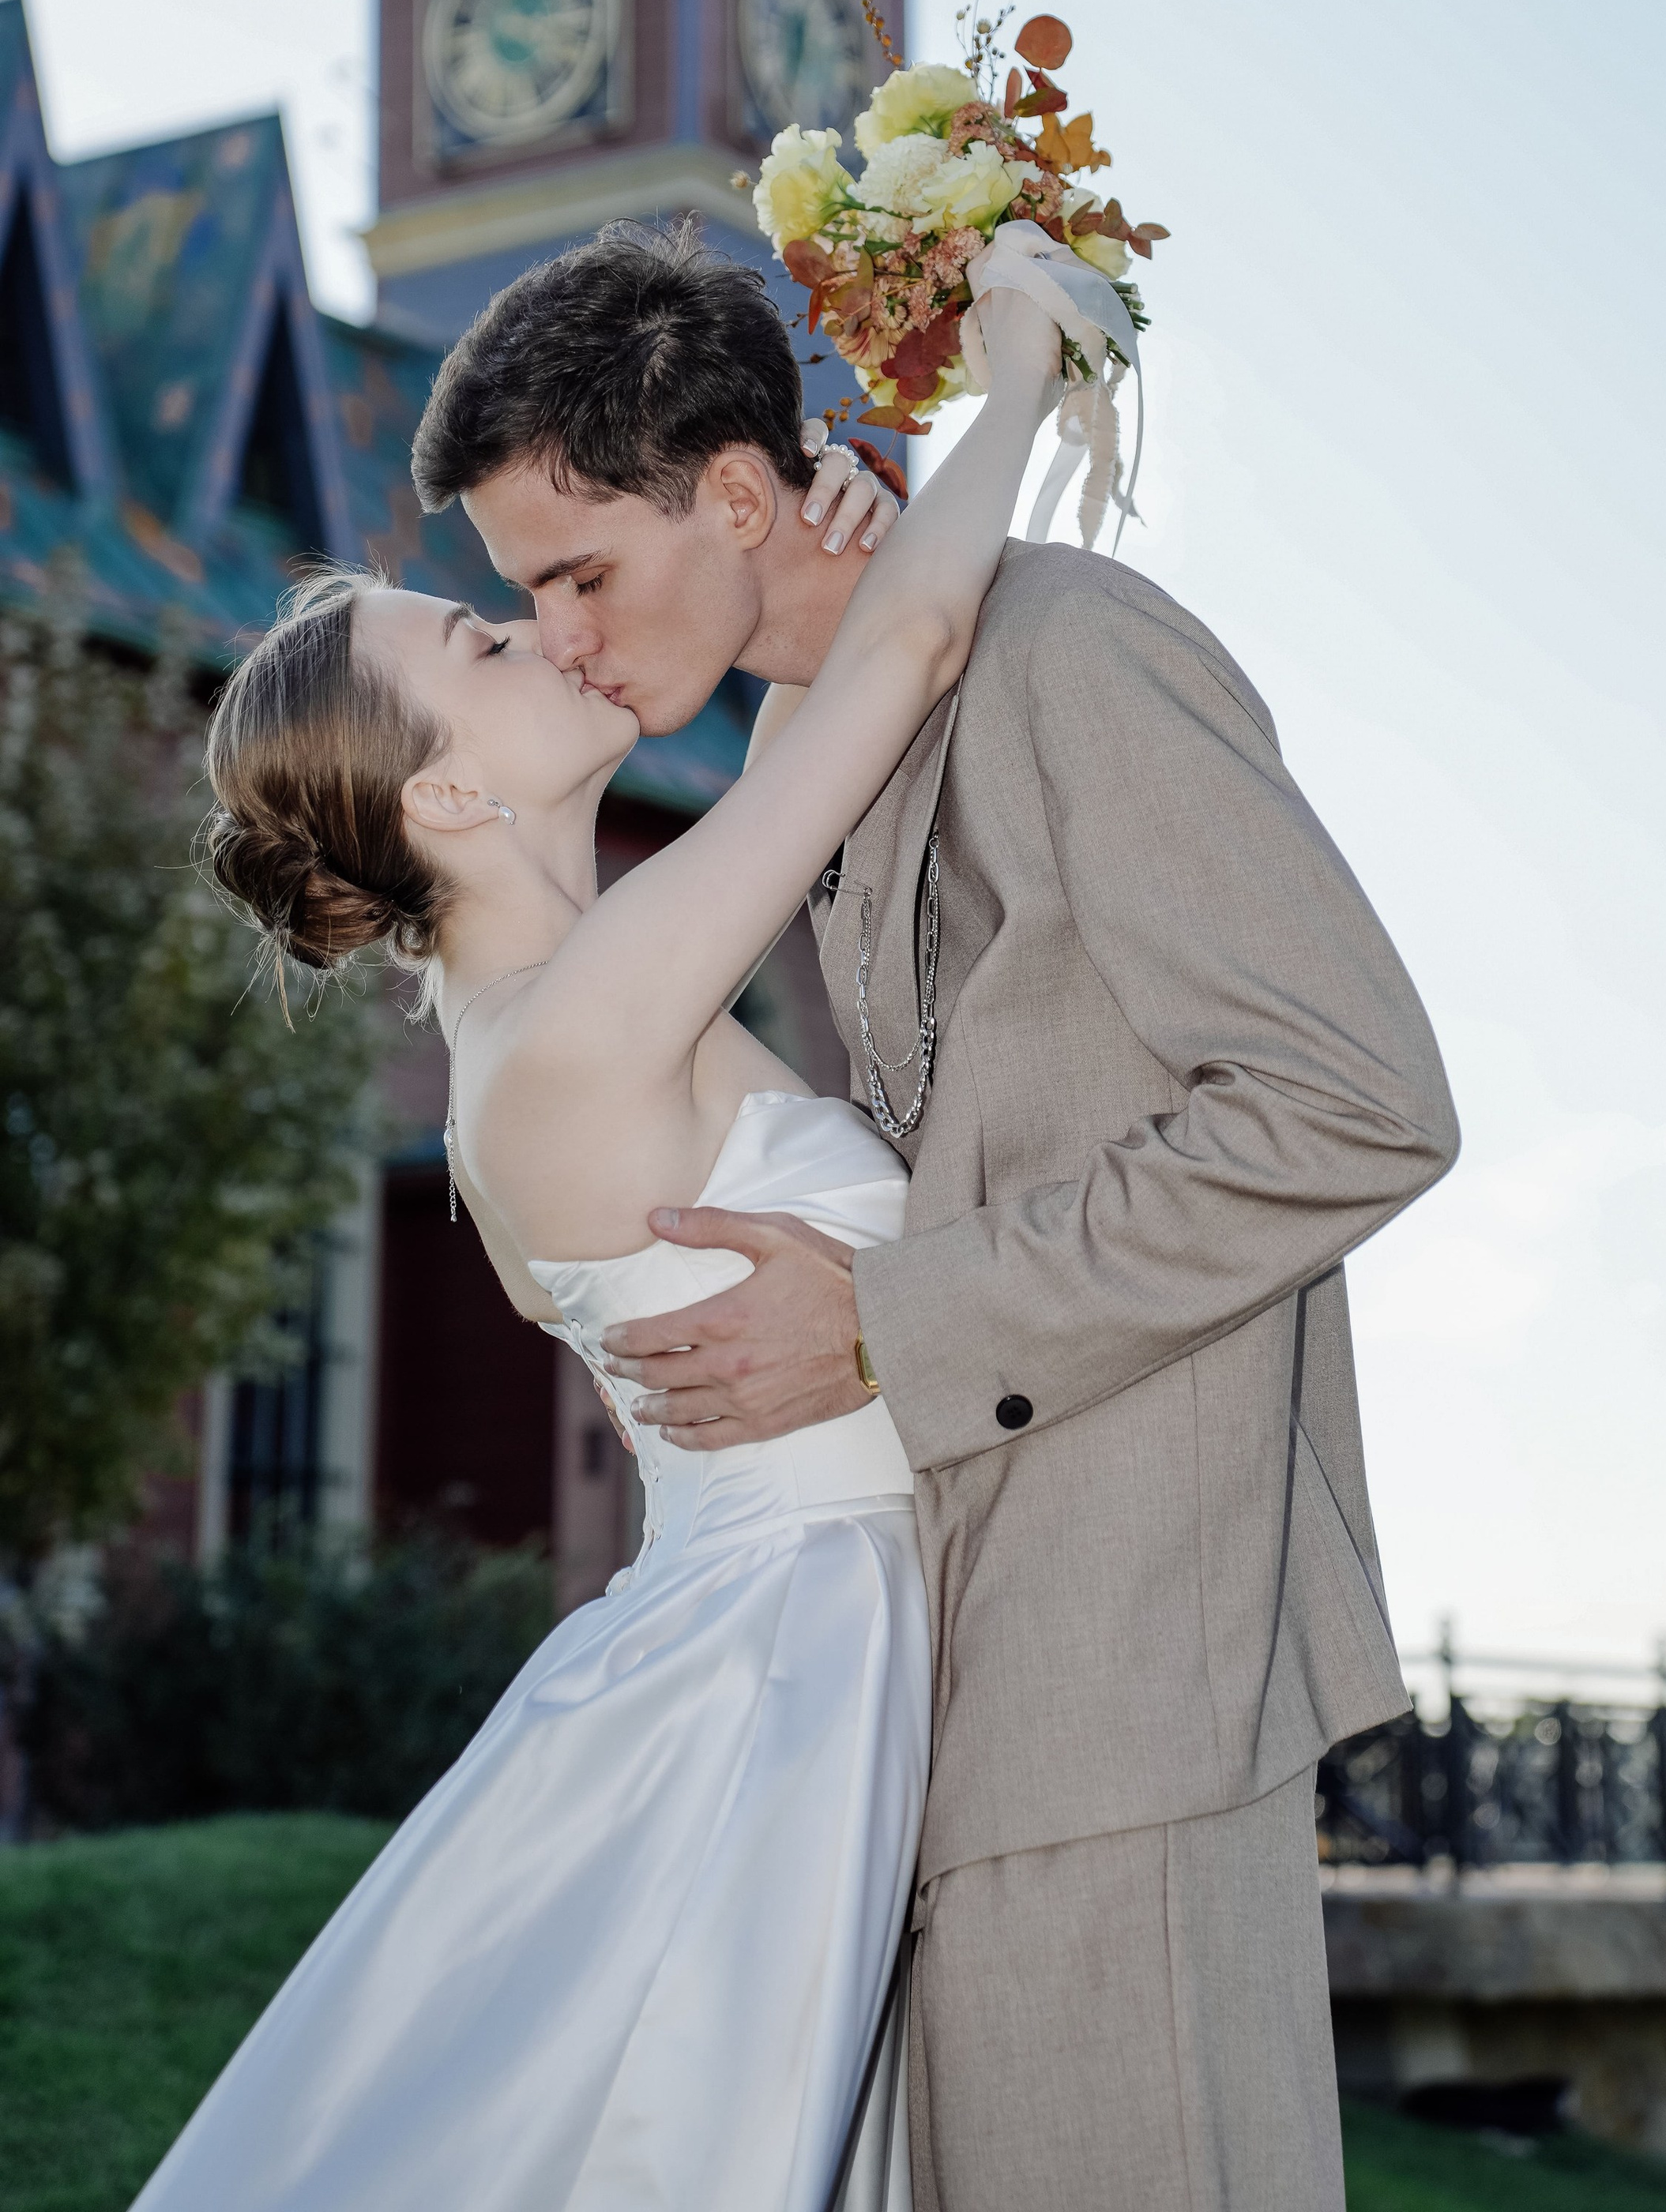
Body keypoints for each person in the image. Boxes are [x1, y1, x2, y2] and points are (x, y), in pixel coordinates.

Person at [411, 222, 1463, 2212]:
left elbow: (1354, 1103)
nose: (556, 638)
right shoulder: (819, 759)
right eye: (521, 598)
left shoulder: (1070, 649)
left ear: (739, 498)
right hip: (925, 1715)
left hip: (1126, 1678)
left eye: (580, 576)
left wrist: (890, 1323)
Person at [133, 258, 1066, 2212]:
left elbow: (829, 675)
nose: (551, 634)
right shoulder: (570, 1028)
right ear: (447, 787)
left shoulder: (571, 994)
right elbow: (901, 657)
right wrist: (1027, 382)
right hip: (779, 1679)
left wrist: (806, 525)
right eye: (486, 638)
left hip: (807, 1634)